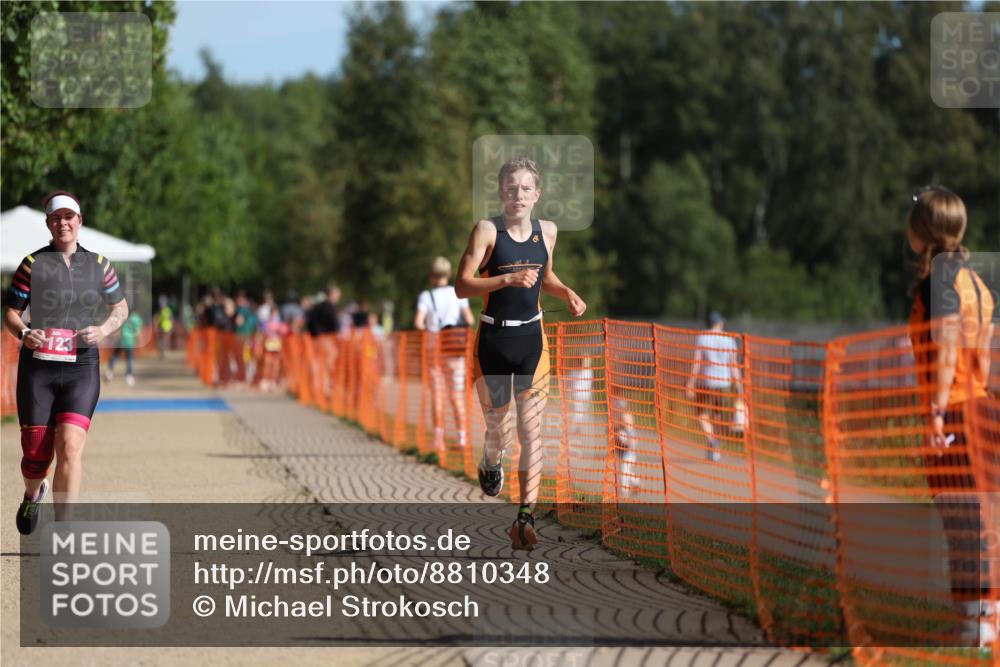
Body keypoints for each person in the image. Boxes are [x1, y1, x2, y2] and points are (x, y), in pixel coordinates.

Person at [456, 155, 586, 549]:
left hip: (532, 341)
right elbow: (462, 286)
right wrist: (506, 278)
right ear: (501, 192)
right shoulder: (487, 231)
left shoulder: (547, 231)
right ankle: (491, 460)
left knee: (532, 432)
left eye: (526, 188)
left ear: (537, 194)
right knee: (500, 431)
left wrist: (566, 292)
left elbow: (545, 278)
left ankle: (525, 519)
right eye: (511, 188)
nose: (518, 195)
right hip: (493, 342)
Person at [3, 190, 129, 534]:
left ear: (80, 222)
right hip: (39, 368)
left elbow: (120, 308)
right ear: (48, 224)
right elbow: (11, 313)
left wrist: (103, 329)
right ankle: (33, 493)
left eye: (69, 217)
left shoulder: (100, 265)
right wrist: (25, 333)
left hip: (81, 367)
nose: (63, 223)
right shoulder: (32, 264)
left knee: (70, 447)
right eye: (56, 218)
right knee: (35, 455)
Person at [906, 186, 996, 647]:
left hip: (956, 410)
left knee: (961, 519)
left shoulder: (939, 282)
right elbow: (982, 358)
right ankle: (983, 618)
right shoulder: (976, 283)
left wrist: (936, 415)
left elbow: (943, 353)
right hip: (980, 405)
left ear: (922, 230)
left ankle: (973, 626)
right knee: (977, 518)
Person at [415, 256, 474, 453]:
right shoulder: (458, 294)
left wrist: (430, 328)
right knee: (456, 394)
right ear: (449, 274)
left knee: (437, 394)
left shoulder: (426, 296)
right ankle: (462, 438)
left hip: (434, 349)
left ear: (431, 276)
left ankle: (438, 439)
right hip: (454, 349)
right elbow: (469, 319)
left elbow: (418, 323)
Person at [685, 311, 742, 463]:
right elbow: (734, 365)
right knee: (718, 414)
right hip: (724, 382)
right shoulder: (729, 339)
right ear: (719, 323)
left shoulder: (702, 337)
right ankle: (715, 446)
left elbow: (697, 363)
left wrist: (690, 382)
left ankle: (711, 440)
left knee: (701, 413)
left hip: (706, 381)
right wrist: (739, 386)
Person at [106, 301, 143, 386]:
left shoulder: (124, 316)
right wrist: (138, 342)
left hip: (121, 340)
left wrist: (112, 336)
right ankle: (129, 376)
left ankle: (110, 372)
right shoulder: (137, 318)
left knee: (115, 356)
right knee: (129, 359)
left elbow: (118, 329)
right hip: (130, 342)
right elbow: (137, 332)